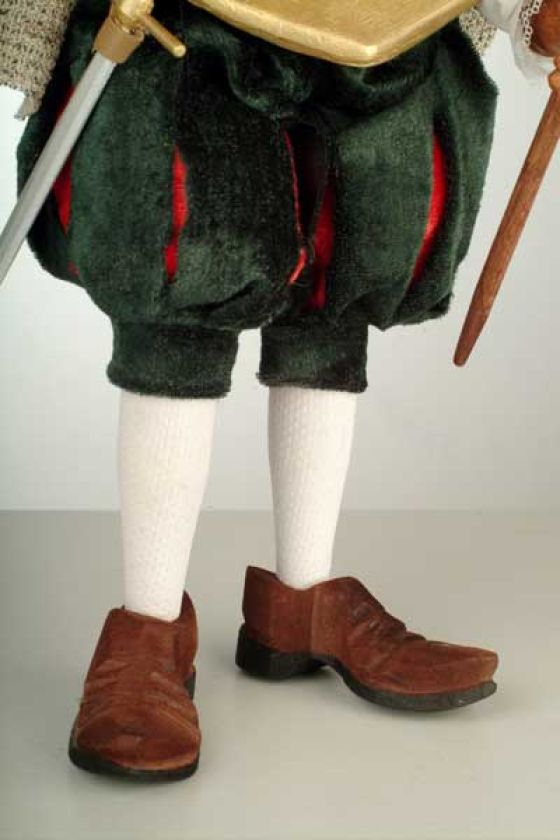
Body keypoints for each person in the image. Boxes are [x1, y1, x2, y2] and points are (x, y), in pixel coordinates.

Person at [2, 0, 559, 781]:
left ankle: (302, 601)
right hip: (191, 36)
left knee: (339, 287)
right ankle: (149, 625)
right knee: (179, 283)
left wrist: (528, 10)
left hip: (376, 42)